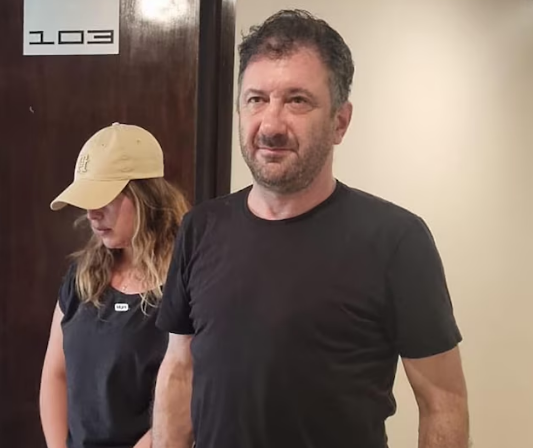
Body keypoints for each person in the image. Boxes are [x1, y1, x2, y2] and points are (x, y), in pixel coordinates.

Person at [153, 9, 469, 448]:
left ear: (340, 122)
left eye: (297, 100)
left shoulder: (396, 241)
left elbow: (442, 401)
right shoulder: (200, 228)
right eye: (256, 99)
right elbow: (179, 369)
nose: (270, 125)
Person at [39, 122, 189, 448]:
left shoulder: (185, 281)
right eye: (87, 200)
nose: (92, 213)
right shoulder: (82, 276)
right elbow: (55, 374)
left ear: (146, 197)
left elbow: (191, 389)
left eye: (104, 199)